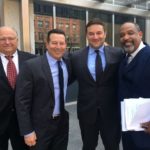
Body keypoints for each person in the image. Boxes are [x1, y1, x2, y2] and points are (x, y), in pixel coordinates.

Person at [70, 19, 123, 150]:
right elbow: (65, 78)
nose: (95, 37)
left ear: (105, 34)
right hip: (86, 112)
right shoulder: (75, 56)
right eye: (91, 34)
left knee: (112, 146)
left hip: (111, 112)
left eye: (99, 33)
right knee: (88, 146)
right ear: (87, 35)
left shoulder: (118, 53)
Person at [15, 29, 71, 150]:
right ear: (47, 44)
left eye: (61, 43)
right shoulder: (31, 66)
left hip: (61, 124)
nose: (58, 47)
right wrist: (27, 131)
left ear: (66, 45)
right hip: (39, 127)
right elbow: (21, 101)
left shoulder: (67, 63)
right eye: (54, 43)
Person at [0, 26, 35, 150]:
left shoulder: (32, 60)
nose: (7, 42)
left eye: (11, 38)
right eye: (2, 39)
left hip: (24, 123)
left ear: (17, 40)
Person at [118, 22, 150, 150]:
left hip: (146, 130)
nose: (125, 37)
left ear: (140, 34)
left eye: (130, 33)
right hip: (128, 129)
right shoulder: (124, 58)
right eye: (122, 35)